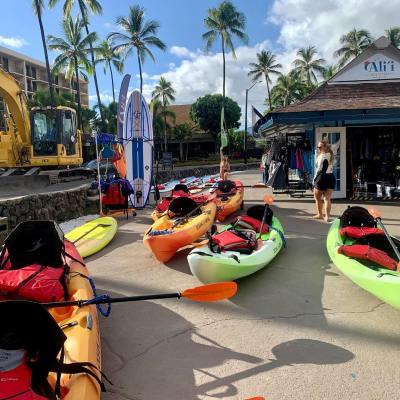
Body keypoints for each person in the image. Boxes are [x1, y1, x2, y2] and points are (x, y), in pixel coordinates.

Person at [313, 140, 335, 222]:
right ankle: (327, 217)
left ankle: (320, 214)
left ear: (325, 147)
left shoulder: (322, 156)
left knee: (317, 197)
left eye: (320, 147)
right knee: (327, 198)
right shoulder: (331, 155)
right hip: (330, 177)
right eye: (318, 147)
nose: (318, 149)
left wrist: (314, 179)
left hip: (321, 177)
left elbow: (318, 169)